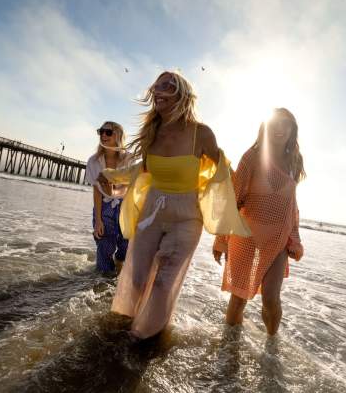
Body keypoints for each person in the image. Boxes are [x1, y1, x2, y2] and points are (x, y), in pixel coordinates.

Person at [97, 71, 251, 340]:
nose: (159, 89)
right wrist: (111, 175)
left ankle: (144, 336)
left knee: (163, 283)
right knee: (136, 277)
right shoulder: (152, 132)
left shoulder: (200, 134)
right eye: (157, 84)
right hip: (151, 212)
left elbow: (224, 171)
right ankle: (124, 324)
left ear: (182, 95)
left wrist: (240, 204)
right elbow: (141, 169)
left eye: (168, 85)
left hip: (187, 218)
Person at [213, 108, 306, 336]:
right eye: (275, 122)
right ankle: (230, 349)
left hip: (278, 239)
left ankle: (271, 348)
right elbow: (234, 199)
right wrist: (221, 239)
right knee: (239, 298)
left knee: (271, 299)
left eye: (286, 124)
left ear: (292, 129)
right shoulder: (252, 156)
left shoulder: (294, 161)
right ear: (265, 126)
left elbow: (290, 206)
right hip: (245, 235)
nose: (280, 128)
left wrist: (294, 239)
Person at [86, 121, 131, 276]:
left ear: (118, 135)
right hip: (104, 207)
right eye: (101, 132)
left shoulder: (129, 159)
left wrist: (114, 191)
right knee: (105, 247)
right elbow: (97, 192)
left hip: (126, 207)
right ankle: (102, 285)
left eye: (108, 132)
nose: (103, 135)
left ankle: (119, 263)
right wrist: (98, 220)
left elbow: (129, 187)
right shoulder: (93, 161)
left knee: (125, 246)